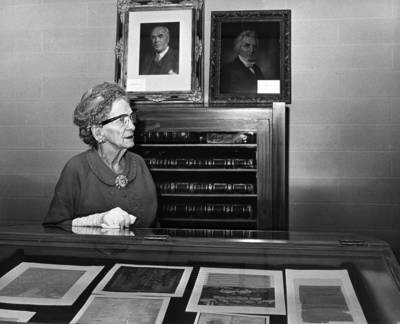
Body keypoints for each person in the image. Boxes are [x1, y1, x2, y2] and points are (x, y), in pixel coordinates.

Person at [43, 82, 157, 229]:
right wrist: (97, 220)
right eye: (122, 120)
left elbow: (153, 226)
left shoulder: (139, 163)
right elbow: (53, 226)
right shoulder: (77, 169)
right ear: (98, 132)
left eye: (131, 117)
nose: (132, 126)